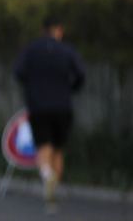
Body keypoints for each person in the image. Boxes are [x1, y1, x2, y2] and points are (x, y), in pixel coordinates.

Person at [13, 15, 86, 208]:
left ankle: (46, 174)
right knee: (58, 149)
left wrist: (32, 87)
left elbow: (18, 73)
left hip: (38, 106)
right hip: (63, 106)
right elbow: (81, 75)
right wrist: (70, 89)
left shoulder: (31, 50)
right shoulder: (67, 51)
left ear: (42, 30)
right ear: (59, 30)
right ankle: (52, 193)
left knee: (43, 146)